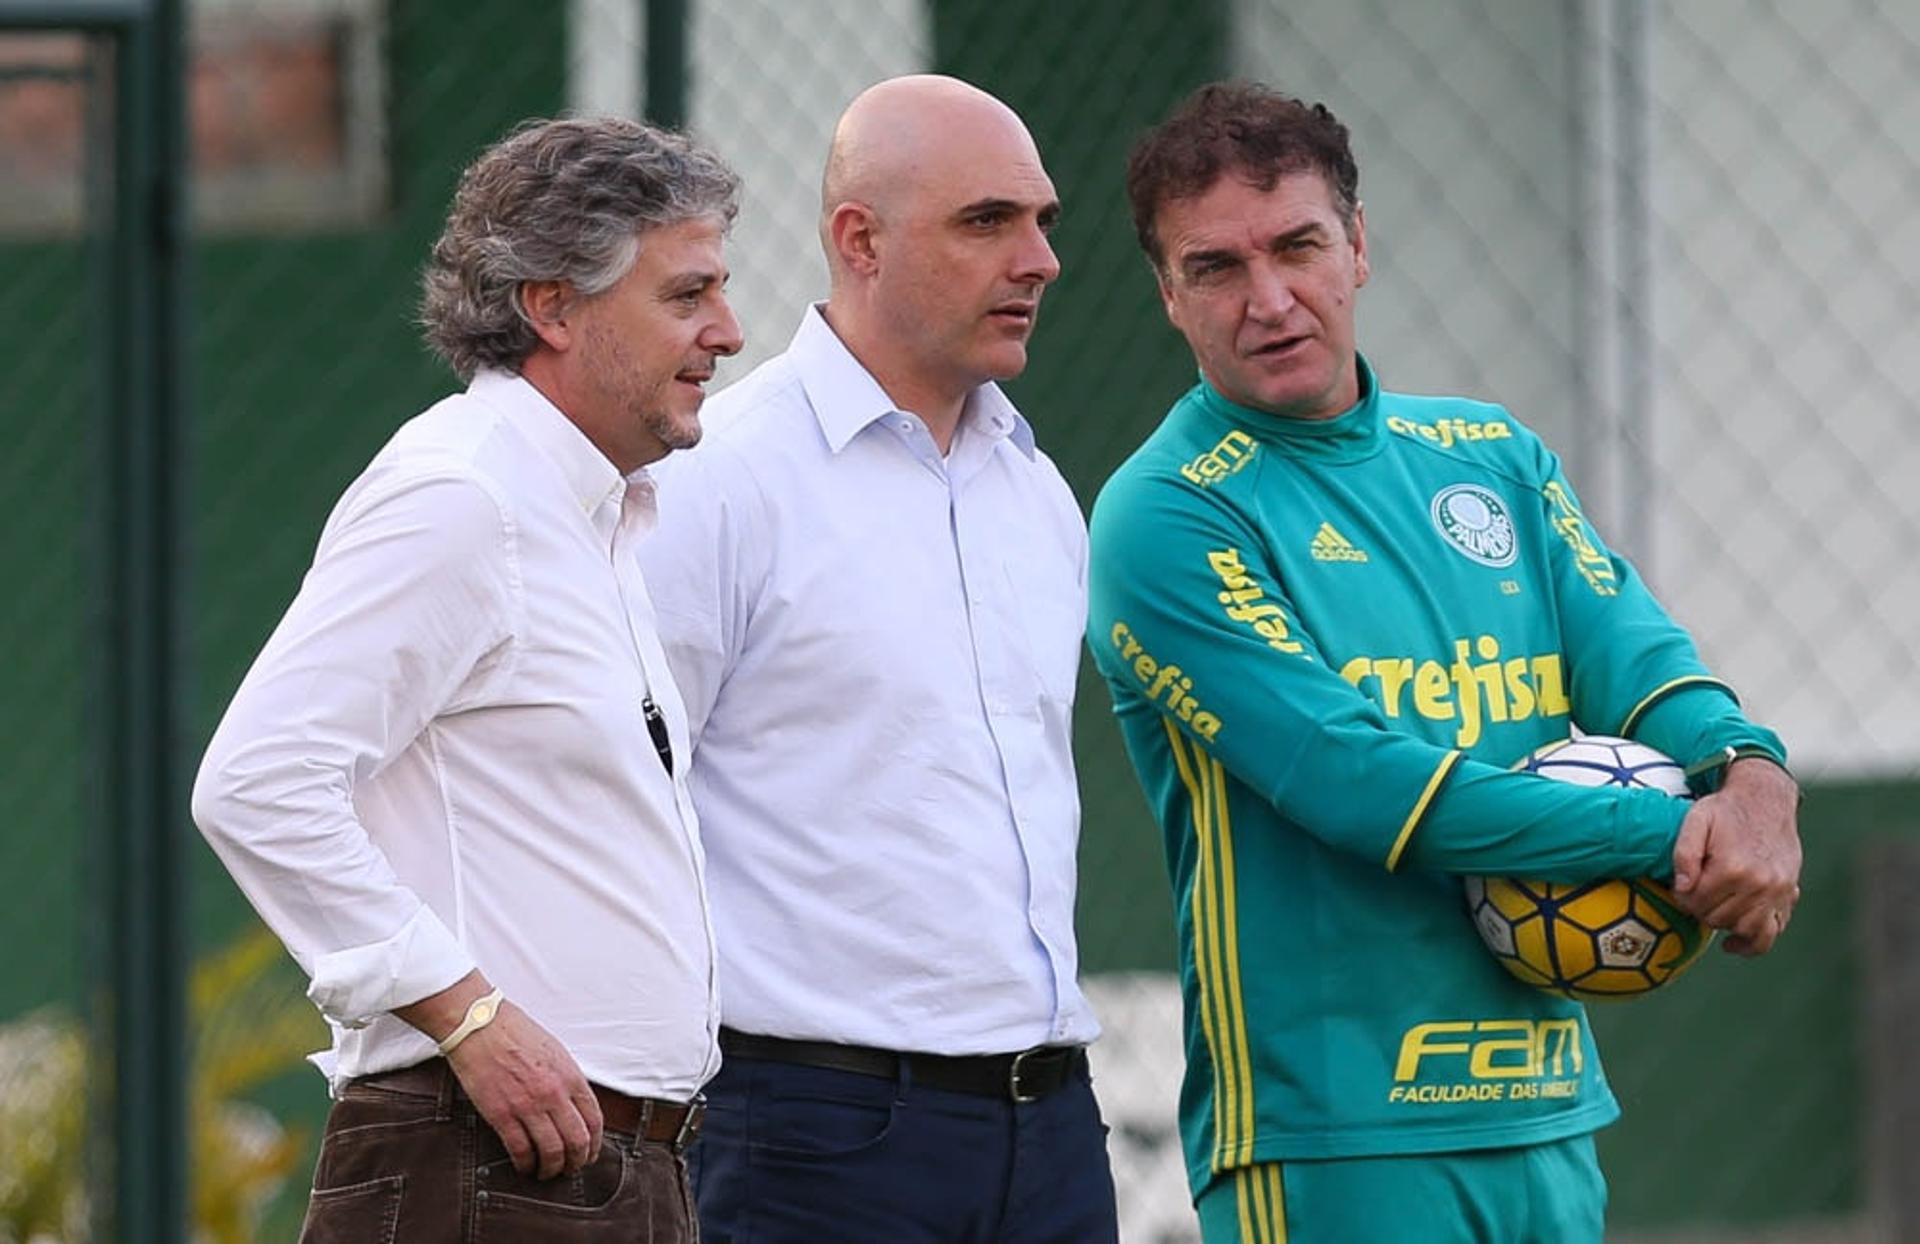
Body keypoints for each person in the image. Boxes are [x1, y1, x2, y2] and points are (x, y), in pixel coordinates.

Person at [1088, 82, 1802, 1244]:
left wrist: (1753, 779)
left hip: (1542, 1104)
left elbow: (1642, 660)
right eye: (1216, 268)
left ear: (1357, 246)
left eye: (1299, 246)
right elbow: (1357, 779)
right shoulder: (1165, 515)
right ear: (1169, 295)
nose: (1269, 299)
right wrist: (1669, 832)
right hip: (1333, 1134)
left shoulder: (1491, 455)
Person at [191, 115, 744, 1243]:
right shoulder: (464, 495)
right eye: (686, 295)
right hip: (482, 1167)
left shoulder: (598, 515)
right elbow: (255, 780)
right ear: (552, 304)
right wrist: (469, 1012)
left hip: (600, 1170)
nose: (728, 332)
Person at [632, 75, 1119, 1243]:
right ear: (860, 239)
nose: (1041, 258)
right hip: (812, 1128)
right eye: (988, 220)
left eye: (1044, 220)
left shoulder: (1038, 490)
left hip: (1052, 1122)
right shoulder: (720, 481)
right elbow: (615, 799)